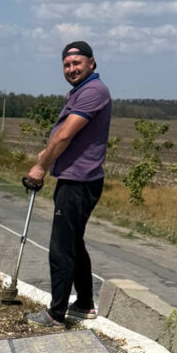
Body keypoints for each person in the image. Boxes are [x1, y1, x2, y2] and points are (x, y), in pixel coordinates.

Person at [24, 41, 111, 328]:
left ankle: (55, 313)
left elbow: (65, 136)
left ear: (91, 63)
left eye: (77, 63)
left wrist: (41, 166)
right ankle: (84, 303)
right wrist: (47, 153)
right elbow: (60, 136)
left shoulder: (93, 91)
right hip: (77, 179)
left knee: (61, 247)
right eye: (67, 65)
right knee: (74, 243)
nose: (71, 69)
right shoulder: (82, 91)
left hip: (78, 182)